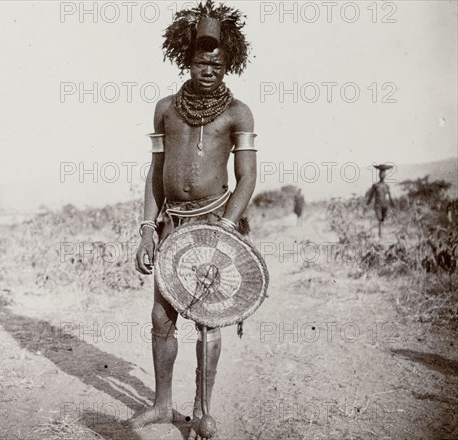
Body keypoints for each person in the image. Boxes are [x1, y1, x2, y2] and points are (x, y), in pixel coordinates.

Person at [130, 2, 256, 438]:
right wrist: (147, 227)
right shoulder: (165, 109)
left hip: (214, 225)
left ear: (227, 66)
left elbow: (247, 177)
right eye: (202, 61)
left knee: (209, 322)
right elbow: (154, 172)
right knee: (162, 318)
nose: (209, 70)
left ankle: (203, 411)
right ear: (187, 60)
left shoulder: (238, 113)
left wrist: (227, 229)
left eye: (217, 64)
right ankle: (163, 406)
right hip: (170, 225)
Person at [366, 164, 395, 238]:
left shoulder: (386, 186)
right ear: (379, 175)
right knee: (379, 219)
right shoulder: (375, 185)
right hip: (377, 205)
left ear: (385, 175)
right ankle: (380, 234)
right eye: (381, 173)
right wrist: (368, 203)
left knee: (382, 219)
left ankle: (381, 232)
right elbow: (371, 195)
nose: (382, 175)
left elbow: (390, 196)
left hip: (385, 205)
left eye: (384, 174)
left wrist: (392, 203)